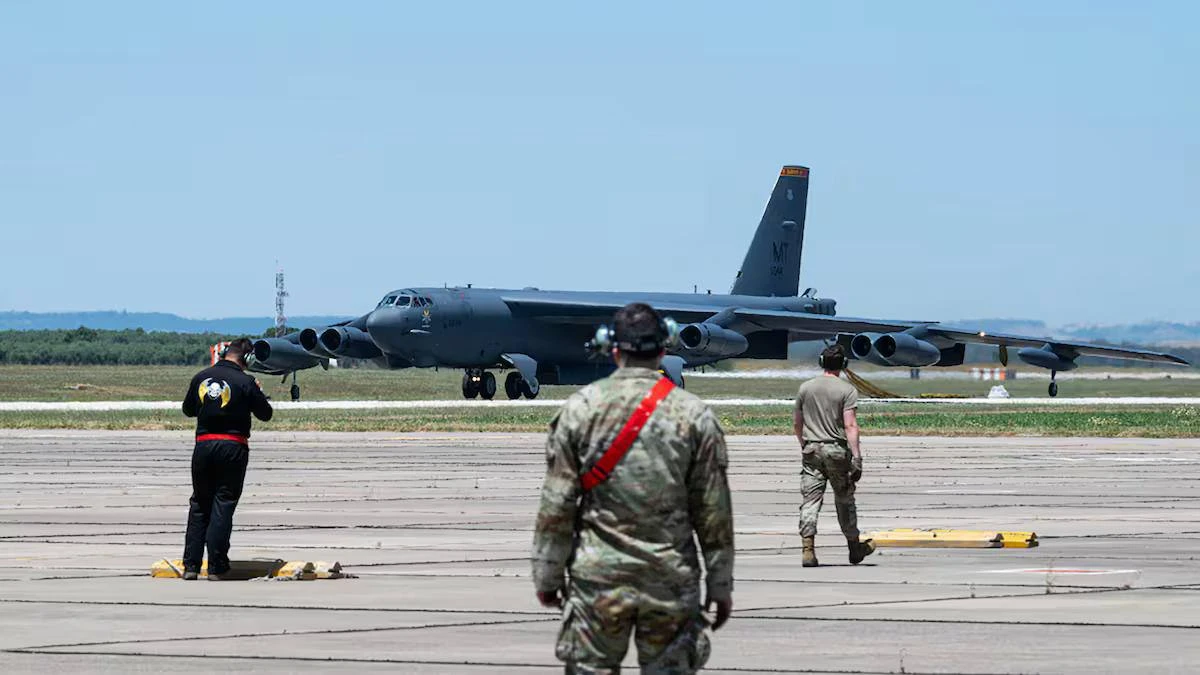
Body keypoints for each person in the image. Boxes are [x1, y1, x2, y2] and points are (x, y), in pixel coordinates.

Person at [532, 302, 735, 674]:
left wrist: (547, 575)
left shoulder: (581, 409)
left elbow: (557, 503)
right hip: (669, 580)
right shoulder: (693, 414)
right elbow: (713, 510)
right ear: (665, 347)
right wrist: (720, 584)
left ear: (612, 348)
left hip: (598, 581)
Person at [180, 338, 273, 580]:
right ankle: (217, 566)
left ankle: (191, 566)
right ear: (247, 358)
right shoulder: (246, 381)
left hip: (203, 445)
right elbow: (265, 414)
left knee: (200, 504)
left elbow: (188, 410)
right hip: (233, 446)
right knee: (224, 502)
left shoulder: (201, 377)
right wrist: (257, 392)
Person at [793, 344, 875, 568]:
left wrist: (804, 444)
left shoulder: (805, 388)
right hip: (837, 451)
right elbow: (850, 425)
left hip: (811, 451)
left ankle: (808, 550)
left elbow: (797, 423)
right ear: (844, 364)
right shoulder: (847, 390)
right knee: (844, 500)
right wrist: (857, 457)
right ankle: (854, 547)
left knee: (810, 501)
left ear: (821, 362)